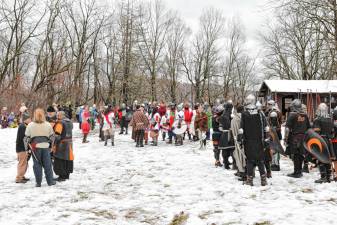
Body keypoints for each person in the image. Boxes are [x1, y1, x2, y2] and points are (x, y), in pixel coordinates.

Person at [239, 94, 268, 186]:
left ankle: (249, 180)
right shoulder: (260, 113)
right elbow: (266, 128)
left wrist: (240, 139)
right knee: (260, 160)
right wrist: (266, 140)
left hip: (249, 141)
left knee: (250, 160)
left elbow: (241, 129)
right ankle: (263, 180)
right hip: (259, 141)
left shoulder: (244, 114)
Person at [24, 108, 56, 187]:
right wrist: (51, 146)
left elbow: (26, 138)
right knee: (48, 165)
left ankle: (38, 183)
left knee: (37, 165)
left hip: (35, 147)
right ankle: (50, 181)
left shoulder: (30, 125)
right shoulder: (48, 124)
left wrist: (26, 149)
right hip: (46, 147)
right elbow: (52, 137)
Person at [284, 99, 310, 178]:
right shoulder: (305, 115)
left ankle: (296, 172)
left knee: (295, 155)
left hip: (295, 137)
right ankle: (299, 171)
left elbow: (287, 129)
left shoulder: (292, 115)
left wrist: (285, 139)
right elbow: (308, 128)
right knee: (301, 154)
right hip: (304, 137)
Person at [312, 103, 334, 183]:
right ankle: (328, 177)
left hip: (320, 140)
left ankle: (323, 177)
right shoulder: (330, 119)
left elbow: (316, 132)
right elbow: (332, 132)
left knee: (321, 158)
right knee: (328, 159)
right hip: (328, 141)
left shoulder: (317, 120)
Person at [53, 111, 74, 182]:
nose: (57, 116)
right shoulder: (70, 122)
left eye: (58, 115)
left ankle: (62, 176)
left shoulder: (60, 123)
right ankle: (66, 175)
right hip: (69, 142)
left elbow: (57, 135)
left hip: (61, 144)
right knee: (68, 159)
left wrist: (53, 143)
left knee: (60, 159)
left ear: (61, 115)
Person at [15, 112, 31, 183]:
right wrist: (26, 148)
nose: (30, 120)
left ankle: (22, 175)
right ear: (25, 119)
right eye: (29, 118)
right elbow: (24, 138)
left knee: (24, 162)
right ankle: (19, 178)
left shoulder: (24, 125)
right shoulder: (22, 127)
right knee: (22, 163)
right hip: (22, 148)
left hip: (22, 148)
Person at [231, 105, 246, 180]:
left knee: (239, 156)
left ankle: (242, 172)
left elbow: (233, 131)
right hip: (246, 140)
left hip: (237, 140)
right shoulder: (246, 117)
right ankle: (245, 172)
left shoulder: (234, 119)